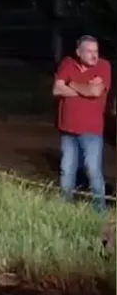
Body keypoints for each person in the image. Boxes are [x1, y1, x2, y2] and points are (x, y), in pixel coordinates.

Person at [52, 35, 112, 213]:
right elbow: (56, 89)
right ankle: (65, 206)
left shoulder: (103, 66)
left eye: (96, 51)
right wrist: (83, 87)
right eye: (89, 51)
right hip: (67, 128)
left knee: (93, 171)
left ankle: (99, 209)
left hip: (91, 129)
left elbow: (95, 92)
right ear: (78, 52)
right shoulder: (67, 63)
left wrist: (70, 83)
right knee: (66, 169)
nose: (94, 55)